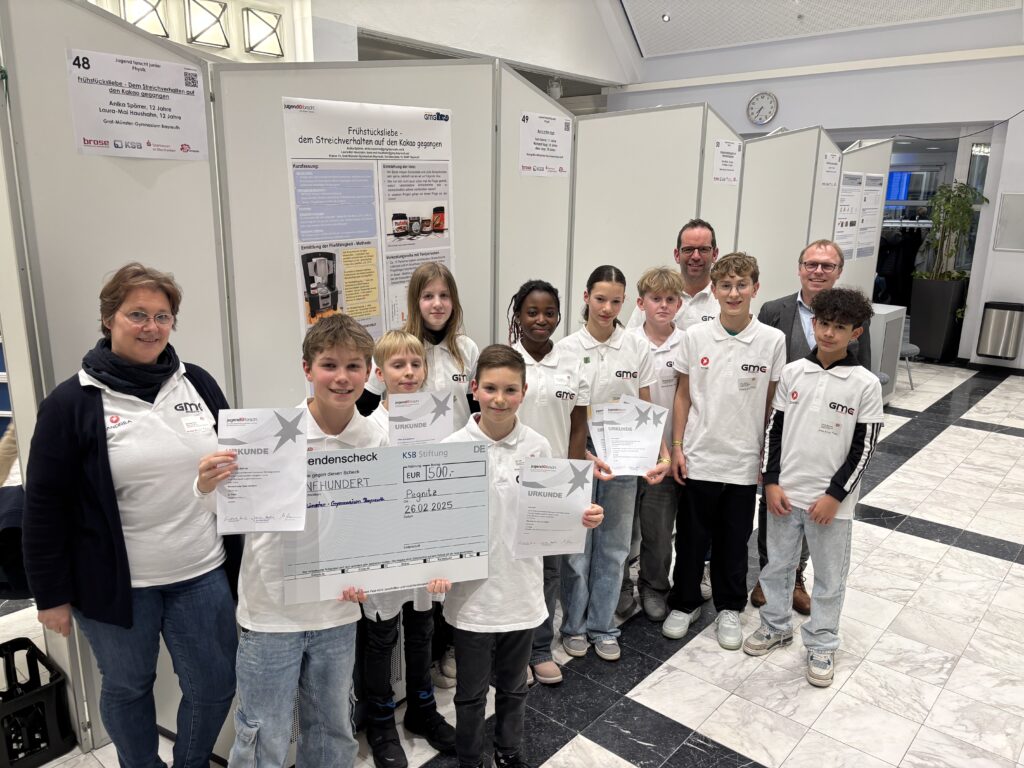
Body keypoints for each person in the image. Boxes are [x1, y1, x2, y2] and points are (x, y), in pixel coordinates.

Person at [23, 263, 238, 768]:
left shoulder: (197, 383)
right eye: (137, 314)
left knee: (215, 684)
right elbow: (44, 507)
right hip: (117, 586)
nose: (151, 327)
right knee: (127, 687)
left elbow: (239, 459)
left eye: (162, 316)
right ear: (108, 319)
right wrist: (50, 596)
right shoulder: (71, 402)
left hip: (201, 572)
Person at [199, 314, 390, 767]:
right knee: (261, 730)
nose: (342, 378)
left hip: (337, 612)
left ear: (368, 372)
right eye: (329, 365)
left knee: (332, 726)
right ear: (307, 368)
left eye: (354, 366)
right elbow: (223, 510)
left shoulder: (377, 441)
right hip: (271, 613)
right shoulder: (265, 437)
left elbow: (379, 526)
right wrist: (206, 486)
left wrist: (372, 576)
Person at [441, 344, 604, 768]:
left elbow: (555, 511)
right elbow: (438, 523)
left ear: (524, 392)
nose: (499, 398)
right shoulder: (451, 448)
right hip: (472, 599)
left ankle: (509, 751)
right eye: (490, 388)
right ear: (474, 388)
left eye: (510, 390)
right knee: (470, 692)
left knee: (514, 686)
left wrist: (582, 516)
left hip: (521, 591)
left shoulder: (538, 446)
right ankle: (470, 758)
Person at [743, 288, 883, 687]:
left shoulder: (865, 383)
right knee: (777, 566)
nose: (829, 333)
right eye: (823, 324)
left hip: (831, 505)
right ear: (813, 323)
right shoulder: (793, 373)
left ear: (855, 333)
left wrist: (834, 496)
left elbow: (864, 447)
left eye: (840, 327)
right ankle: (775, 625)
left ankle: (822, 642)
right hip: (785, 495)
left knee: (828, 577)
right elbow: (774, 431)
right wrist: (771, 482)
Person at [664, 253, 786, 650]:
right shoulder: (695, 336)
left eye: (742, 285)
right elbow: (683, 395)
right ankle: (684, 602)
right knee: (691, 538)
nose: (734, 293)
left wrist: (764, 455)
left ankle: (729, 607)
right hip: (699, 455)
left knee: (734, 540)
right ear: (714, 291)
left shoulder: (772, 340)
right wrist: (677, 446)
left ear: (755, 288)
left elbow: (771, 403)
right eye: (726, 286)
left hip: (743, 460)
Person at [752, 239, 872, 615]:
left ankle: (798, 581)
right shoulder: (774, 311)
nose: (818, 271)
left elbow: (863, 428)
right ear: (800, 267)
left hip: (830, 450)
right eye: (811, 264)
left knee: (820, 535)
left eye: (827, 265)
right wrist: (769, 471)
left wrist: (837, 492)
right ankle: (770, 584)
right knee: (777, 521)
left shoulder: (855, 324)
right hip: (787, 438)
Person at [558, 266, 669, 663]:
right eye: (600, 299)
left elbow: (646, 405)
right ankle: (573, 626)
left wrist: (661, 453)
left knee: (615, 545)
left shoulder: (635, 346)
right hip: (579, 449)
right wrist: (577, 454)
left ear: (625, 303)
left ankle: (603, 626)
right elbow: (565, 411)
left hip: (624, 450)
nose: (606, 308)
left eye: (615, 301)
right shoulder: (567, 348)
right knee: (577, 547)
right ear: (586, 297)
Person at [363, 330, 456, 768]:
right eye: (398, 365)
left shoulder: (438, 424)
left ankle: (422, 709)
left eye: (416, 364)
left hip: (424, 547)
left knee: (422, 630)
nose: (408, 373)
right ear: (379, 374)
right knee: (381, 638)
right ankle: (381, 721)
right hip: (383, 549)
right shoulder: (368, 427)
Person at [506, 280, 596, 686]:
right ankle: (510, 652)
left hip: (556, 484)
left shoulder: (573, 363)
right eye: (532, 312)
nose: (540, 320)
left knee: (548, 573)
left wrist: (573, 486)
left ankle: (539, 649)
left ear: (559, 316)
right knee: (509, 570)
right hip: (511, 482)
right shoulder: (505, 360)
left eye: (549, 312)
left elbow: (578, 427)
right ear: (518, 316)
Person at [619, 267, 689, 622]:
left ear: (679, 304)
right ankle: (620, 586)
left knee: (659, 529)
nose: (663, 305)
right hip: (626, 451)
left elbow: (688, 399)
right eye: (655, 299)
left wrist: (675, 447)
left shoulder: (688, 342)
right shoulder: (625, 342)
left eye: (670, 299)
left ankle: (654, 586)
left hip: (664, 454)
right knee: (620, 528)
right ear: (640, 303)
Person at [362, 262, 479, 429]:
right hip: (408, 442)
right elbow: (365, 405)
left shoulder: (467, 348)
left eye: (444, 295)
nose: (437, 303)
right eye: (428, 296)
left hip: (459, 444)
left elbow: (476, 408)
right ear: (415, 301)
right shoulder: (393, 348)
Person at [626, 218, 720, 331]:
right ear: (677, 255)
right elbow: (630, 339)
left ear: (715, 254)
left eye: (703, 249)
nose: (696, 256)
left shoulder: (725, 299)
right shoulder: (653, 294)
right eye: (688, 249)